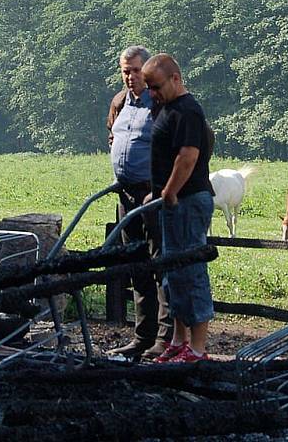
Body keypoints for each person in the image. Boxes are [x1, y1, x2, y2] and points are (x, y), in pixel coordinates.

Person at [142, 53, 214, 363]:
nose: (152, 94)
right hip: (170, 201)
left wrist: (169, 192)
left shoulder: (188, 111)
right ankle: (178, 339)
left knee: (191, 270)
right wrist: (155, 193)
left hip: (187, 201)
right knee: (173, 273)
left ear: (175, 78)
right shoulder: (167, 108)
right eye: (149, 89)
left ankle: (197, 348)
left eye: (156, 87)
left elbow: (187, 157)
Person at [105, 45, 172, 360]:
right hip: (125, 194)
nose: (129, 77)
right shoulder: (120, 103)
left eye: (134, 71)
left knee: (161, 263)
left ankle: (166, 337)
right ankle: (141, 336)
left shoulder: (161, 105)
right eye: (125, 71)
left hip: (153, 195)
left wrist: (161, 187)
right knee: (136, 265)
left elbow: (184, 146)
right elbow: (113, 135)